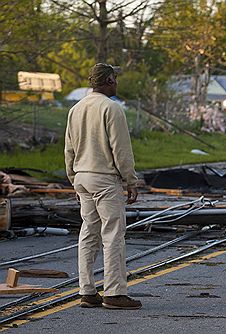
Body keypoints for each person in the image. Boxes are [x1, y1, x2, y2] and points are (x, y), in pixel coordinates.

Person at [64, 63, 141, 309]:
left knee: (88, 233)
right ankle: (115, 292)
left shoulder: (75, 109)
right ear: (108, 80)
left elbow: (69, 150)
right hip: (104, 178)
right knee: (113, 234)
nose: (117, 83)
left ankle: (87, 290)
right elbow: (121, 150)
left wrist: (72, 179)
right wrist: (131, 179)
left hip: (82, 177)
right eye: (115, 78)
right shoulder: (112, 108)